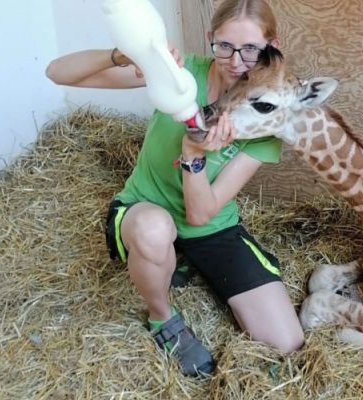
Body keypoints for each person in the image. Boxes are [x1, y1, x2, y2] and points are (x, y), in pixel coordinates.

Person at [45, 0, 304, 376]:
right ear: (209, 40)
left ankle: (183, 259)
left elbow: (201, 214)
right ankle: (162, 319)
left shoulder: (266, 115)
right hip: (146, 211)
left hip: (209, 224)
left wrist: (192, 154)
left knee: (287, 344)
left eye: (251, 49)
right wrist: (129, 54)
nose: (236, 61)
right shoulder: (181, 77)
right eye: (225, 46)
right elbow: (57, 73)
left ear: (272, 46)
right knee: (155, 230)